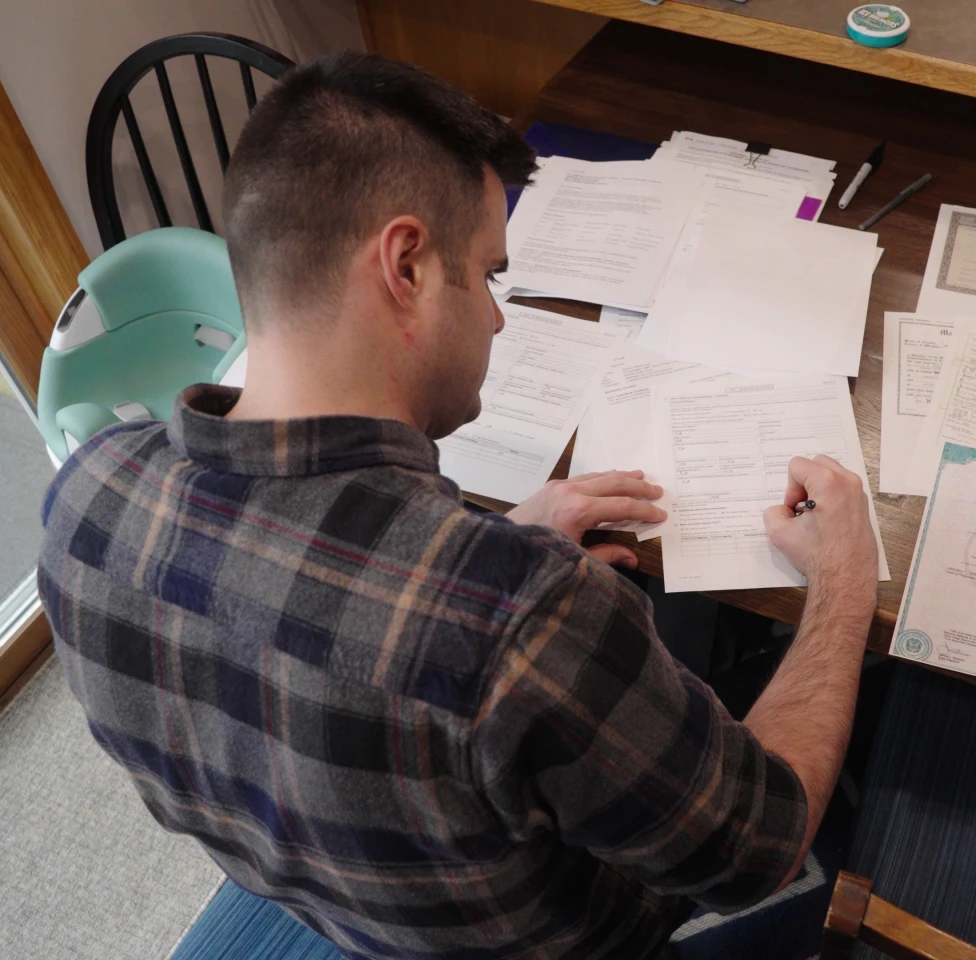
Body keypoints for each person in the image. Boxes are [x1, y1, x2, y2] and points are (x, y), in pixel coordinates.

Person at [37, 53, 879, 959]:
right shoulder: (526, 619)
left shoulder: (85, 499)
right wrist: (844, 579)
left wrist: (492, 542)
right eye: (487, 277)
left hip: (345, 904)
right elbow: (758, 848)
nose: (498, 317)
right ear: (404, 265)